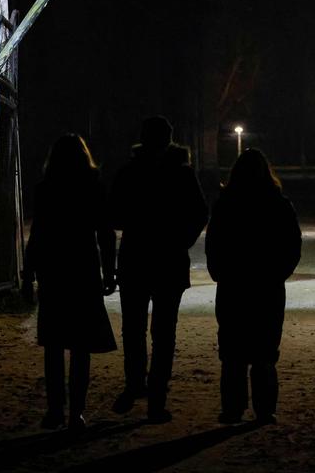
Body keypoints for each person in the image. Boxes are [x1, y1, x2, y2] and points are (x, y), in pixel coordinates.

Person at [109, 116, 208, 422]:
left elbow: (114, 215)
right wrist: (180, 241)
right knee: (164, 333)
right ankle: (156, 397)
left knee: (133, 329)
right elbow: (200, 213)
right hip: (169, 261)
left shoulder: (129, 172)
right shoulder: (182, 173)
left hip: (136, 258)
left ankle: (134, 384)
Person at [23, 134, 117, 432]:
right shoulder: (93, 187)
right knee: (81, 345)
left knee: (53, 344)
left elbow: (37, 234)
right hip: (83, 268)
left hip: (54, 270)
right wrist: (110, 271)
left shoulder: (46, 189)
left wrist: (29, 272)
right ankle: (77, 411)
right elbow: (105, 232)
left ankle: (54, 410)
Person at [205, 149, 301, 425]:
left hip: (234, 283)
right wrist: (279, 273)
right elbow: (292, 244)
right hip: (266, 285)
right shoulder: (278, 203)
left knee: (233, 350)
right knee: (265, 350)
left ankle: (233, 408)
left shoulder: (226, 203)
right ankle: (264, 408)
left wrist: (219, 272)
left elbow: (215, 242)